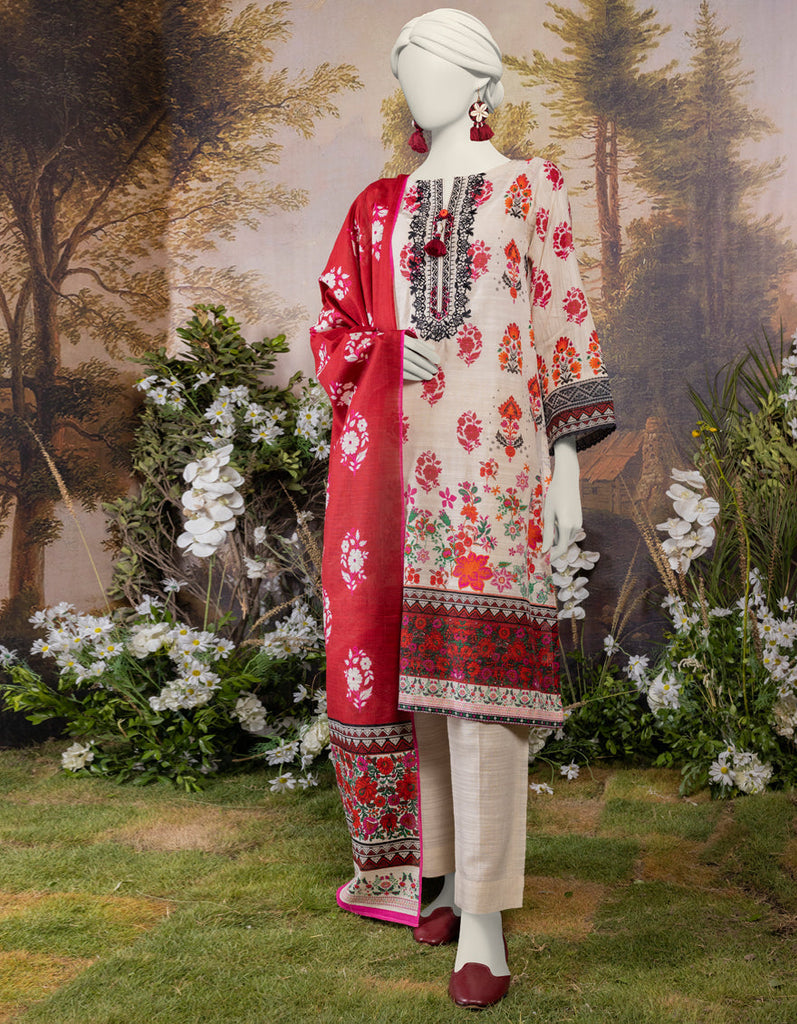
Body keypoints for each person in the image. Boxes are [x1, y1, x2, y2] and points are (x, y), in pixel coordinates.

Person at [310, 8, 615, 1009]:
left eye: (435, 67)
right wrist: (385, 355)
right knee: (417, 683)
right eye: (406, 70)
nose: (417, 86)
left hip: (493, 477)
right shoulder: (376, 207)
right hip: (392, 479)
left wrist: (565, 469)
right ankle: (433, 876)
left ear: (480, 83)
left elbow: (562, 323)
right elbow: (334, 330)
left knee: (480, 689)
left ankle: (482, 917)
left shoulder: (530, 188)